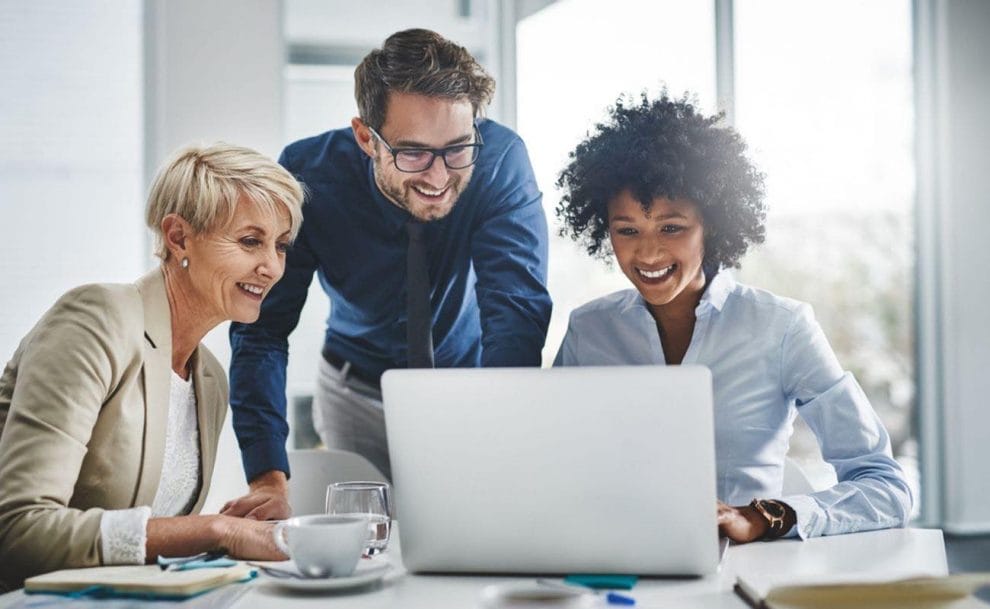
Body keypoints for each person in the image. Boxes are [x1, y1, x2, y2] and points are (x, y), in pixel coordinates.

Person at [553, 92, 912, 543]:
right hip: (613, 560)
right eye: (627, 230)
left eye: (671, 227)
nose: (647, 252)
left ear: (714, 225)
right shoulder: (589, 330)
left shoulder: (782, 328)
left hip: (741, 575)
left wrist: (765, 517)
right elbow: (553, 467)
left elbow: (886, 487)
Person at [224, 27, 551, 517]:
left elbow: (516, 311)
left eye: (457, 148)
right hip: (355, 390)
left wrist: (498, 435)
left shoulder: (499, 160)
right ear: (366, 138)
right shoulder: (308, 175)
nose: (439, 178)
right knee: (365, 549)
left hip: (471, 387)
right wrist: (266, 475)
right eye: (413, 153)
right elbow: (262, 330)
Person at [0, 143, 305, 590]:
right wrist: (216, 531)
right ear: (178, 237)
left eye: (281, 246)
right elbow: (18, 531)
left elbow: (146, 550)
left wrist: (229, 534)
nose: (272, 267)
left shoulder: (209, 380)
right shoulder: (95, 319)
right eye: (249, 241)